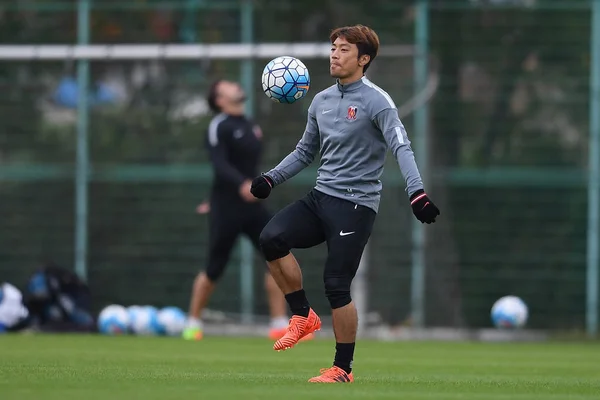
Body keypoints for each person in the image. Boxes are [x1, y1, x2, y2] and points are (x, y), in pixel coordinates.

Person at [250, 25, 440, 383]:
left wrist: (417, 193)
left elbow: (402, 146)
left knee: (336, 284)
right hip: (321, 198)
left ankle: (342, 369)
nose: (334, 55)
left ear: (363, 59)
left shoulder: (377, 101)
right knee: (271, 238)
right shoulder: (321, 100)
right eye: (333, 48)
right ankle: (302, 315)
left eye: (343, 50)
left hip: (355, 204)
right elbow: (305, 152)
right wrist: (271, 178)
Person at [182, 79, 302, 342]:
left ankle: (280, 323)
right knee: (214, 267)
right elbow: (219, 164)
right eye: (227, 86)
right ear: (219, 100)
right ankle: (192, 322)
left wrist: (255, 187)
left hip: (254, 207)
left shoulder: (250, 124)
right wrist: (240, 185)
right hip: (226, 207)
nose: (235, 86)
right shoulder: (219, 126)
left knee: (278, 257)